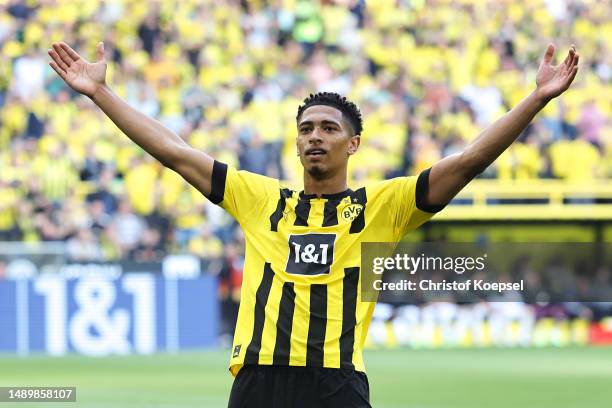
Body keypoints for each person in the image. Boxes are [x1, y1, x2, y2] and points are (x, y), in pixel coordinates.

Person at [48, 41, 579, 407]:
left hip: (335, 383)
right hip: (257, 381)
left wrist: (535, 99)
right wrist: (100, 93)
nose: (314, 137)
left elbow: (466, 162)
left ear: (352, 144)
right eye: (306, 129)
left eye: (328, 128)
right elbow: (174, 151)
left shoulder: (384, 205)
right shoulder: (258, 198)